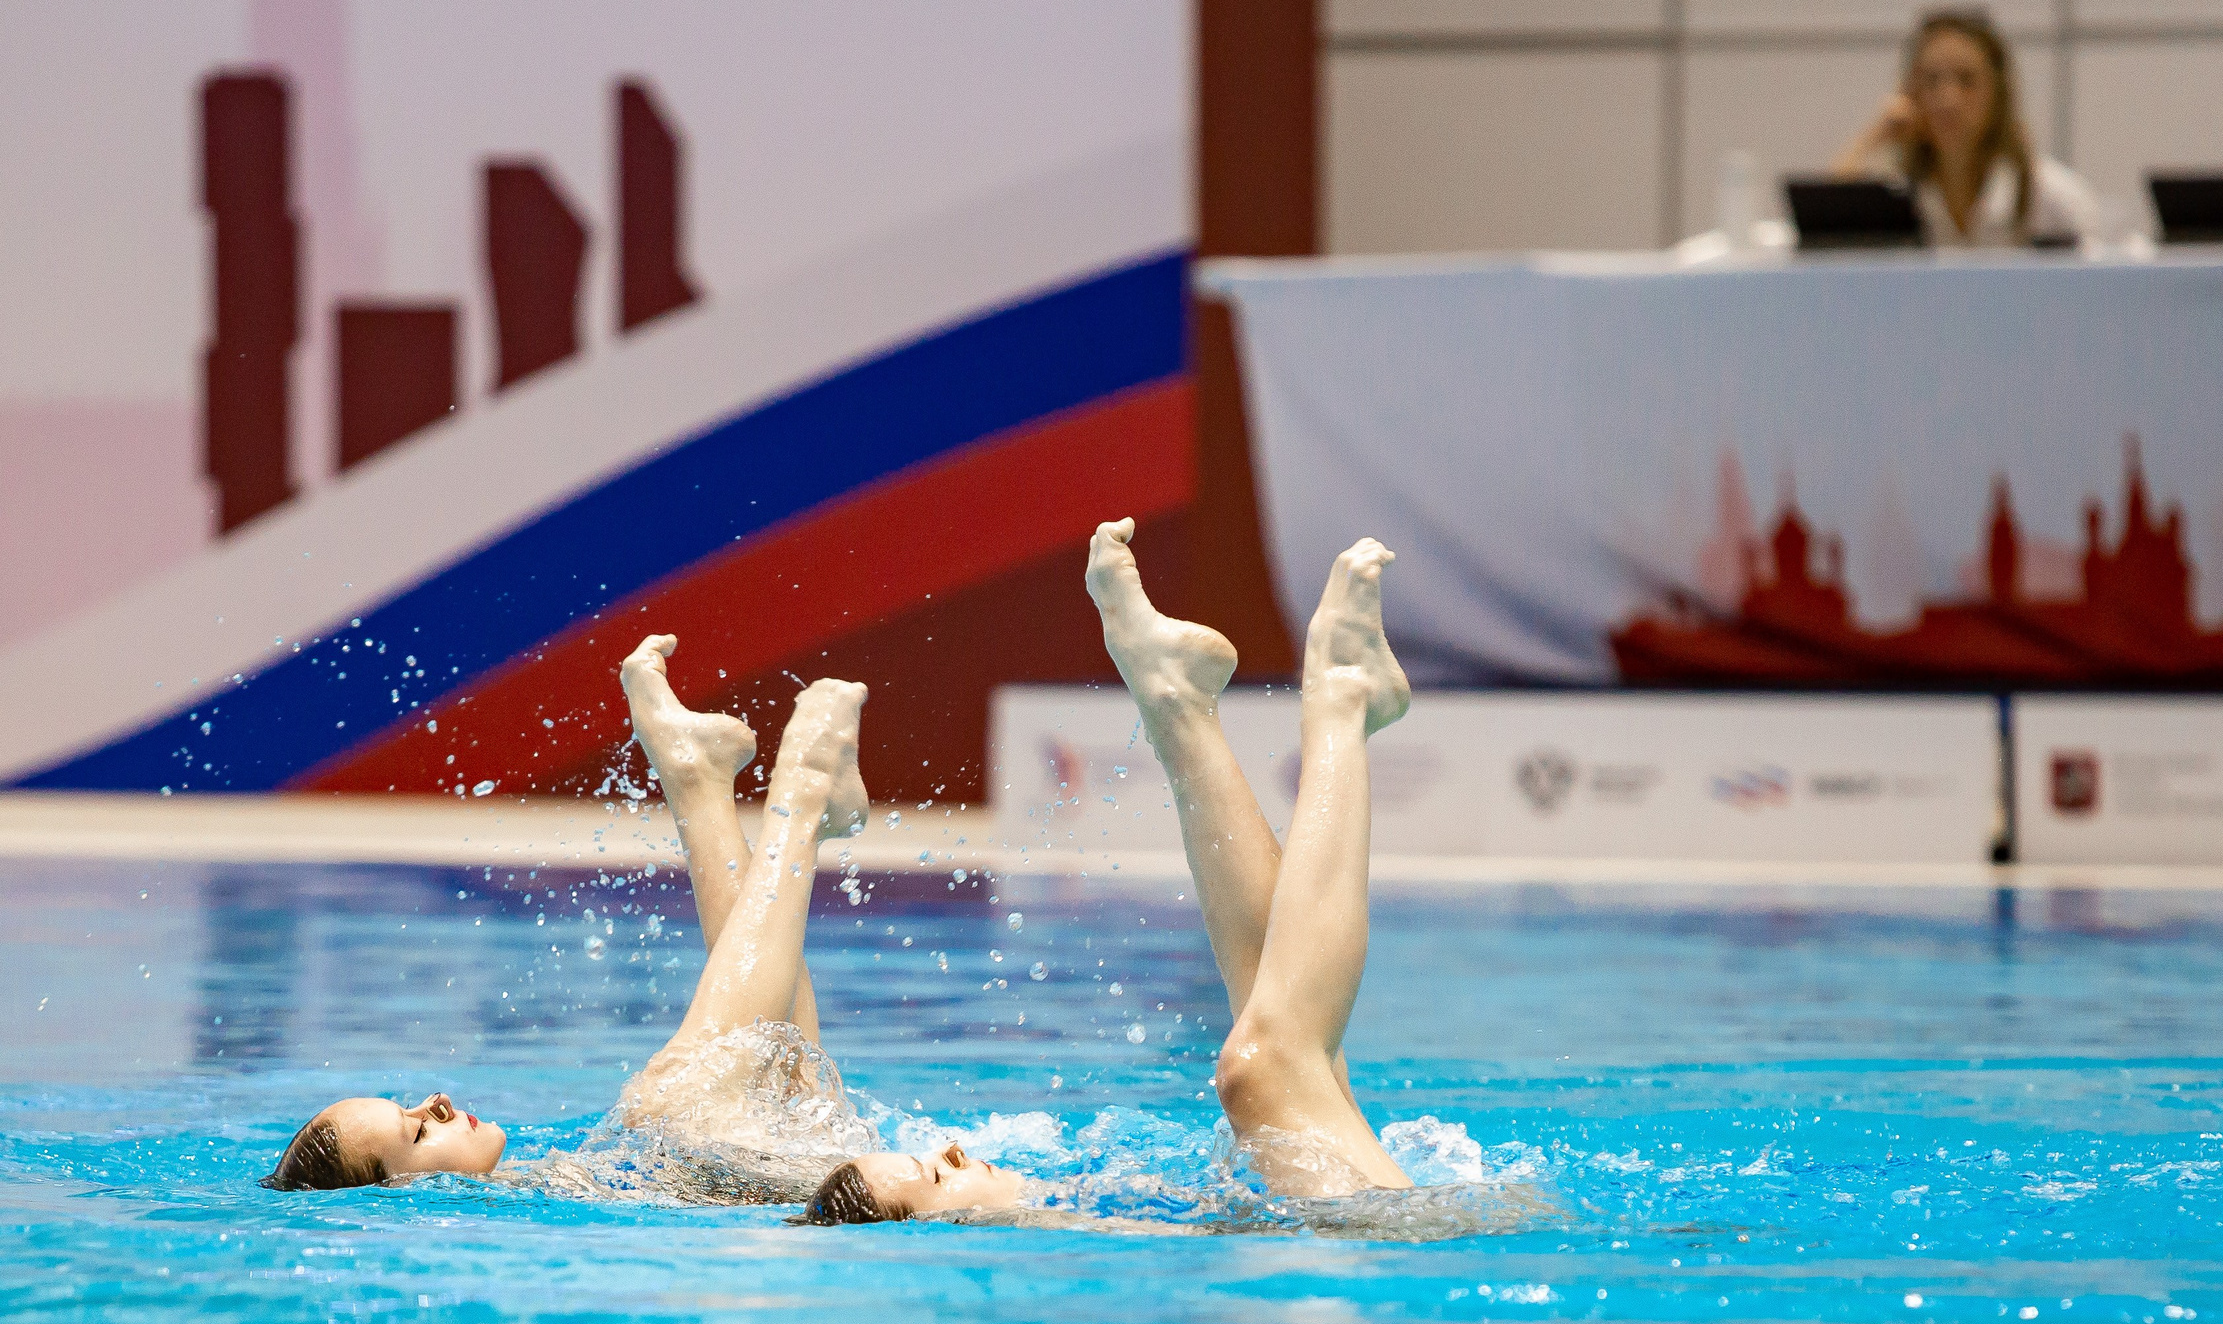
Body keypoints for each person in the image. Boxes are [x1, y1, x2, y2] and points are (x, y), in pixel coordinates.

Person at [266, 637, 1022, 1223]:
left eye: (407, 1104)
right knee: (711, 1077)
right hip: (737, 1169)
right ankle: (789, 792)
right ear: (406, 1198)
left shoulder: (509, 1202)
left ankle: (713, 789)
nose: (432, 1101)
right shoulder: (496, 1224)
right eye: (415, 1133)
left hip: (744, 1169)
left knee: (777, 1066)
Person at [1082, 518, 1414, 1197]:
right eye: (935, 1176)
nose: (957, 1153)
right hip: (1427, 1246)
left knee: (1283, 1062)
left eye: (934, 1154)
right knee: (1271, 1069)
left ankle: (1176, 706)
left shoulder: (1046, 1220)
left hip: (1378, 1242)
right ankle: (1344, 696)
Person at [1832, 7, 2098, 248]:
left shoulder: (2047, 192)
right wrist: (1874, 138)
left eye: (1967, 80)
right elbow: (1821, 231)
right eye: (1931, 80)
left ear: (1998, 95)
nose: (1948, 100)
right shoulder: (1895, 190)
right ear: (1911, 91)